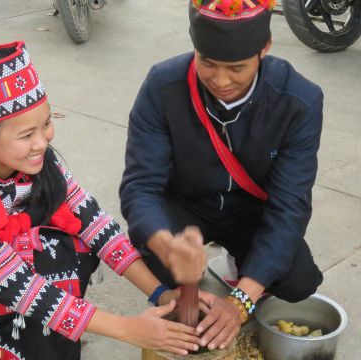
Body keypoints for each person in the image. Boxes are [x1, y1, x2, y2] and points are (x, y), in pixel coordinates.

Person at [0, 40, 203, 360]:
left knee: (73, 243)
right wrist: (127, 329)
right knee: (41, 256)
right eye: (25, 135)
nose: (41, 142)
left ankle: (18, 337)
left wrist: (160, 293)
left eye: (46, 124)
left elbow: (95, 223)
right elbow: (16, 284)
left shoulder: (37, 160)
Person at [119, 0, 324, 352]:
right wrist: (167, 245)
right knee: (153, 258)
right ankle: (192, 258)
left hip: (249, 212)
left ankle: (237, 268)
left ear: (265, 49)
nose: (220, 80)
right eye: (207, 62)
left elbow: (290, 207)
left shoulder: (299, 101)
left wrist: (240, 300)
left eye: (237, 67)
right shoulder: (162, 86)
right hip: (185, 206)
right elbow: (141, 186)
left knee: (298, 280)